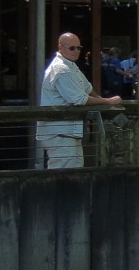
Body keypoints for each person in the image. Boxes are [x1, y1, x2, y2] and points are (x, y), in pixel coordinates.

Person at [38, 32, 121, 168]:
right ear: (60, 47)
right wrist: (108, 102)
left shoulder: (70, 65)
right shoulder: (61, 69)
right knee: (63, 173)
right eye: (72, 48)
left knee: (75, 171)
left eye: (79, 48)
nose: (76, 51)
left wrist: (100, 100)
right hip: (60, 131)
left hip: (69, 132)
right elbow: (79, 99)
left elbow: (88, 88)